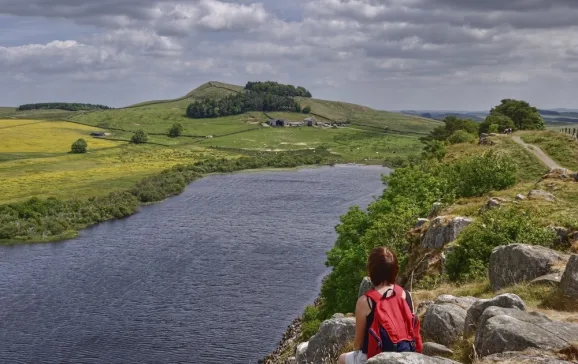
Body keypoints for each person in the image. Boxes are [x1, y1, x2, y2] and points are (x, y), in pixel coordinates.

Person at [338, 247, 422, 364]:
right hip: (407, 353)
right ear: (395, 270)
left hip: (376, 356)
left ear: (372, 271)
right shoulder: (406, 295)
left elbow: (358, 344)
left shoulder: (365, 301)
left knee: (342, 359)